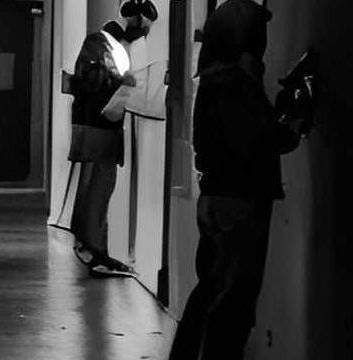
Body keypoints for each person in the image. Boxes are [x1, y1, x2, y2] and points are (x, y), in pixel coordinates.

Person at [167, 0, 309, 358]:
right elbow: (259, 141)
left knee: (213, 291)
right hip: (239, 201)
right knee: (233, 302)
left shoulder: (220, 78)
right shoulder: (233, 82)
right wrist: (291, 119)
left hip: (219, 197)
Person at [67, 0, 157, 277]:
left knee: (97, 187)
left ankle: (95, 249)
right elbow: (98, 82)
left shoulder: (104, 43)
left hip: (97, 128)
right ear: (137, 20)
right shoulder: (104, 43)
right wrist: (125, 81)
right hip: (98, 128)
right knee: (98, 187)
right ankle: (94, 251)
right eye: (146, 27)